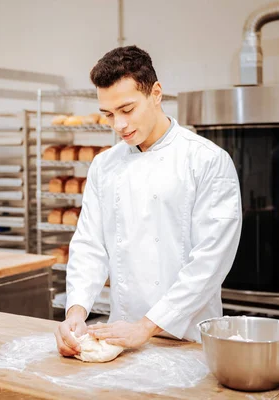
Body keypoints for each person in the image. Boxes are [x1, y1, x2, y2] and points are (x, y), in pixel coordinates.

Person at [55, 45, 242, 357]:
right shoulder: (104, 165)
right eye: (109, 115)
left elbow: (211, 261)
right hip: (120, 339)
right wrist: (75, 313)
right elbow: (90, 244)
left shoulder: (207, 160)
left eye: (127, 110)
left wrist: (146, 326)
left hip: (188, 339)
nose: (119, 126)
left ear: (156, 94)